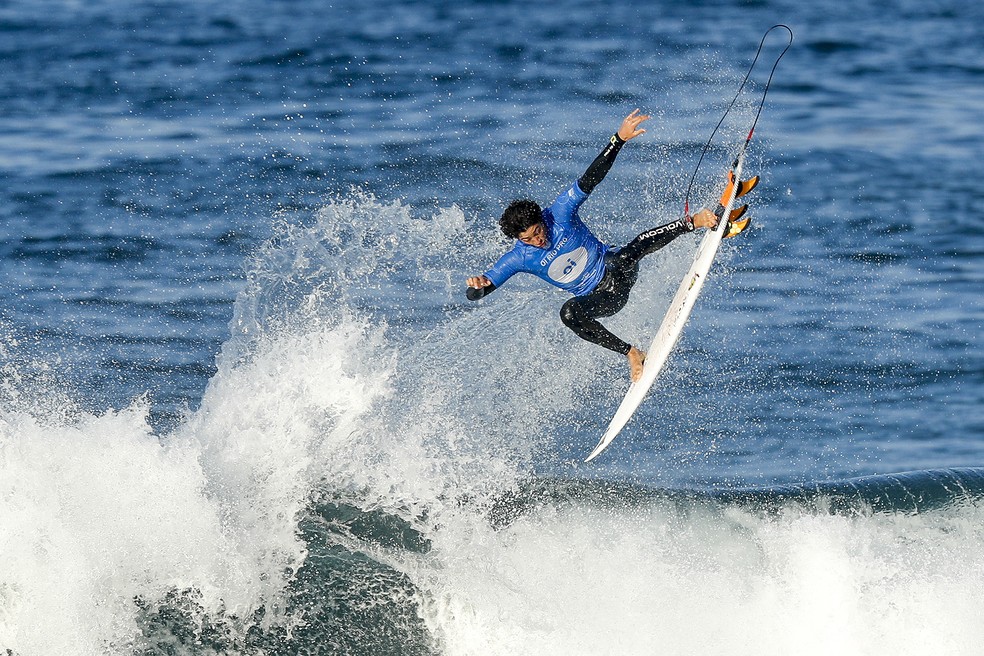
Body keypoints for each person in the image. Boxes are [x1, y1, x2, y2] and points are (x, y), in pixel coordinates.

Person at [465, 110, 719, 382]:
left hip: (617, 270)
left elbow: (591, 177)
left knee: (619, 257)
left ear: (542, 219)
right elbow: (477, 294)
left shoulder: (560, 213)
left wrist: (618, 140)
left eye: (538, 231)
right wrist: (477, 285)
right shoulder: (518, 258)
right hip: (606, 300)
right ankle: (632, 353)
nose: (538, 240)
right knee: (569, 312)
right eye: (528, 239)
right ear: (519, 239)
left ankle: (692, 222)